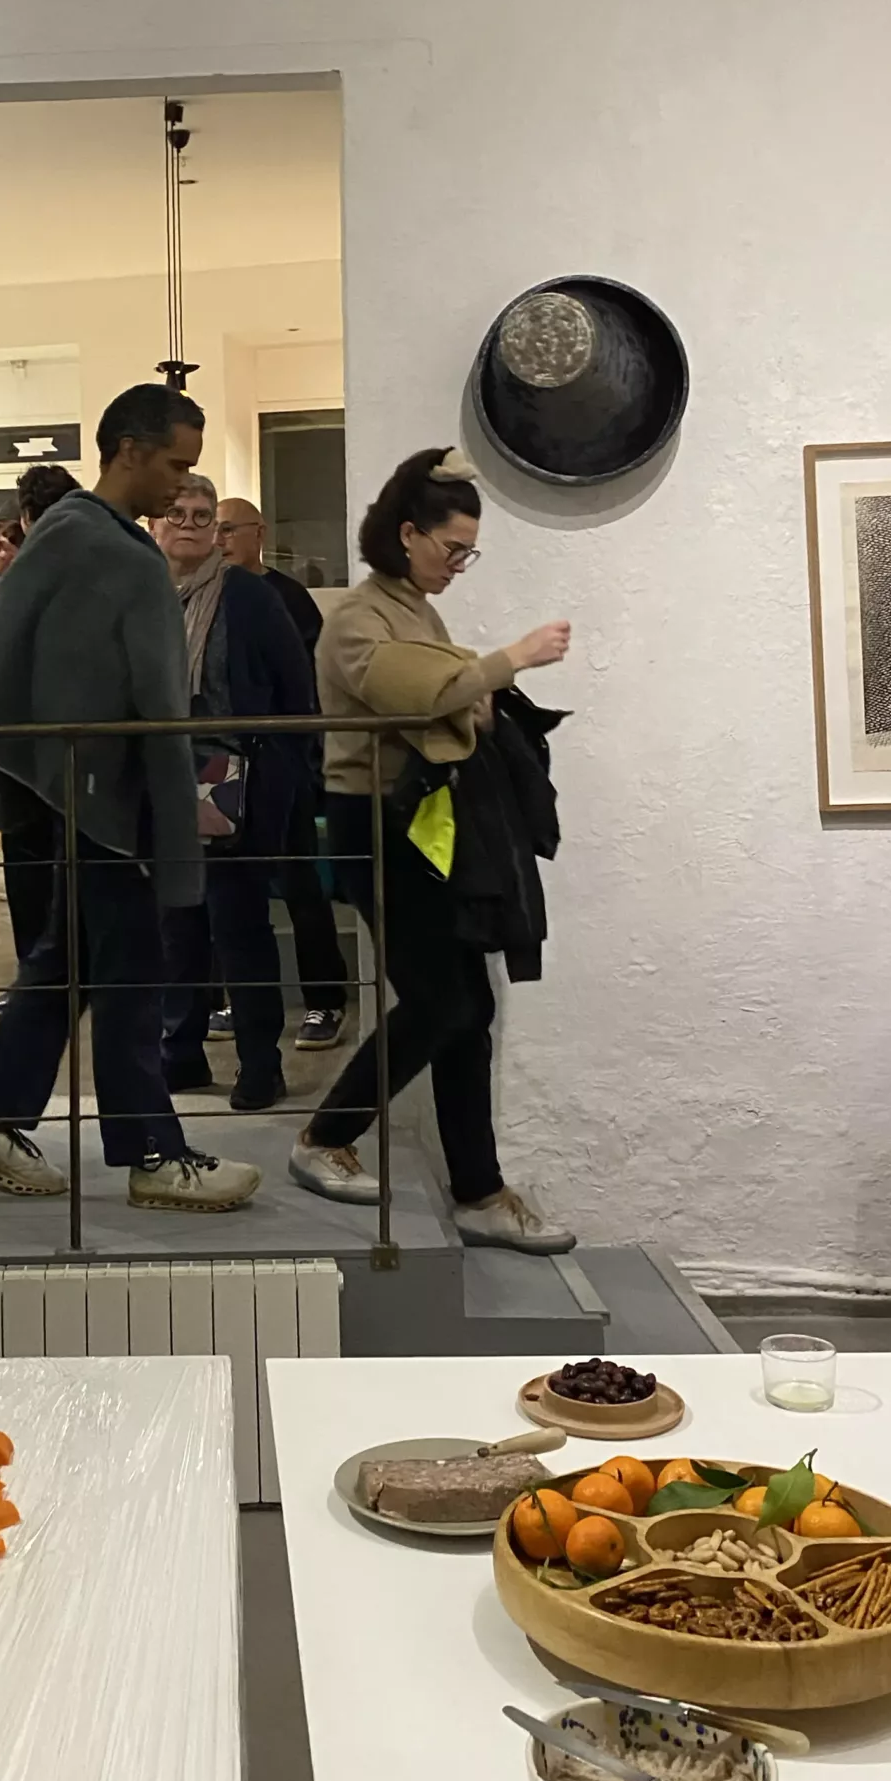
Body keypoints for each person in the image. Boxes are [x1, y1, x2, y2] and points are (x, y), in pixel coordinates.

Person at [0, 386, 261, 1213]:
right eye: (176, 464)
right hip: (107, 803)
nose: (181, 485)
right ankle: (153, 1152)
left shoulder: (75, 533)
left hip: (93, 794)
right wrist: (137, 800)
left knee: (73, 960)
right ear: (130, 451)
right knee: (129, 974)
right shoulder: (107, 546)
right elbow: (141, 700)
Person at [291, 449, 574, 1251]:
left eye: (467, 552)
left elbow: (453, 701)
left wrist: (468, 692)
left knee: (467, 1008)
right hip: (376, 823)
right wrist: (507, 662)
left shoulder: (413, 610)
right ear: (408, 533)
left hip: (417, 821)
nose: (458, 564)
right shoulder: (359, 617)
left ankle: (479, 1190)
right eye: (452, 548)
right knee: (444, 1004)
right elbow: (420, 693)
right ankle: (325, 1137)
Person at [156, 475, 317, 1111]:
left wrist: (282, 770)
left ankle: (260, 1063)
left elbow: (295, 688)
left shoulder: (249, 597)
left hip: (239, 784)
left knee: (239, 925)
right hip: (164, 779)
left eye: (203, 515)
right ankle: (180, 1053)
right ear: (155, 523)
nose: (191, 524)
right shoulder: (143, 593)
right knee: (176, 928)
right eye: (177, 513)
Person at [216, 495, 351, 1049]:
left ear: (259, 533)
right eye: (214, 529)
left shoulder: (288, 599)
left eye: (229, 528)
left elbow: (307, 687)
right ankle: (239, 999)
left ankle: (325, 999)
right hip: (223, 767)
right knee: (233, 892)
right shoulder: (205, 596)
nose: (220, 539)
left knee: (299, 885)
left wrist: (301, 761)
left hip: (280, 765)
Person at [0, 465, 82, 1021]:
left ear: (24, 516)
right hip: (79, 752)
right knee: (75, 873)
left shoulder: (19, 580)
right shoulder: (98, 565)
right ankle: (72, 982)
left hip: (24, 752)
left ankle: (39, 986)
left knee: (30, 876)